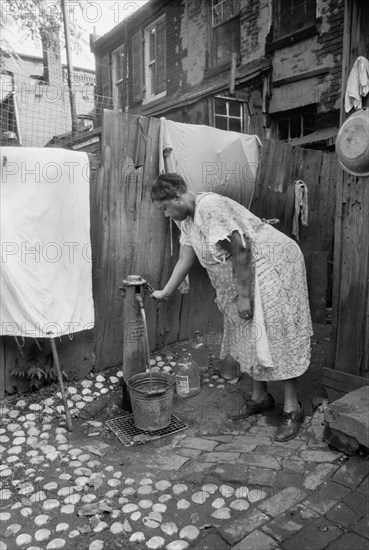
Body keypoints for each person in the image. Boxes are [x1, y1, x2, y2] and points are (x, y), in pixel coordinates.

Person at [150, 173, 313, 442]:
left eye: (165, 208)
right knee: (249, 332)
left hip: (270, 262)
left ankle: (292, 408)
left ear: (177, 197)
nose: (166, 214)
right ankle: (260, 398)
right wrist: (166, 291)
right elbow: (186, 257)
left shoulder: (209, 208)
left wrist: (245, 296)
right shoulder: (187, 220)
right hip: (244, 273)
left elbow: (241, 249)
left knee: (273, 332)